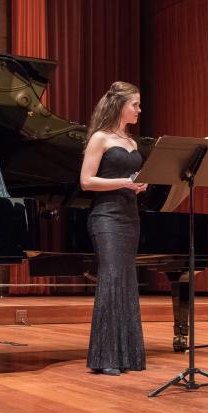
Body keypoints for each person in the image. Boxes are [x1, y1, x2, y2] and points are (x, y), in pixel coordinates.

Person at [80, 81, 148, 376]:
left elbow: (130, 179)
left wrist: (139, 185)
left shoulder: (132, 142)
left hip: (130, 216)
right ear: (120, 105)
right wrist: (123, 182)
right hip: (106, 217)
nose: (139, 110)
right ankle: (105, 356)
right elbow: (86, 181)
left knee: (127, 281)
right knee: (110, 279)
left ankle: (128, 354)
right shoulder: (100, 138)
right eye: (135, 104)